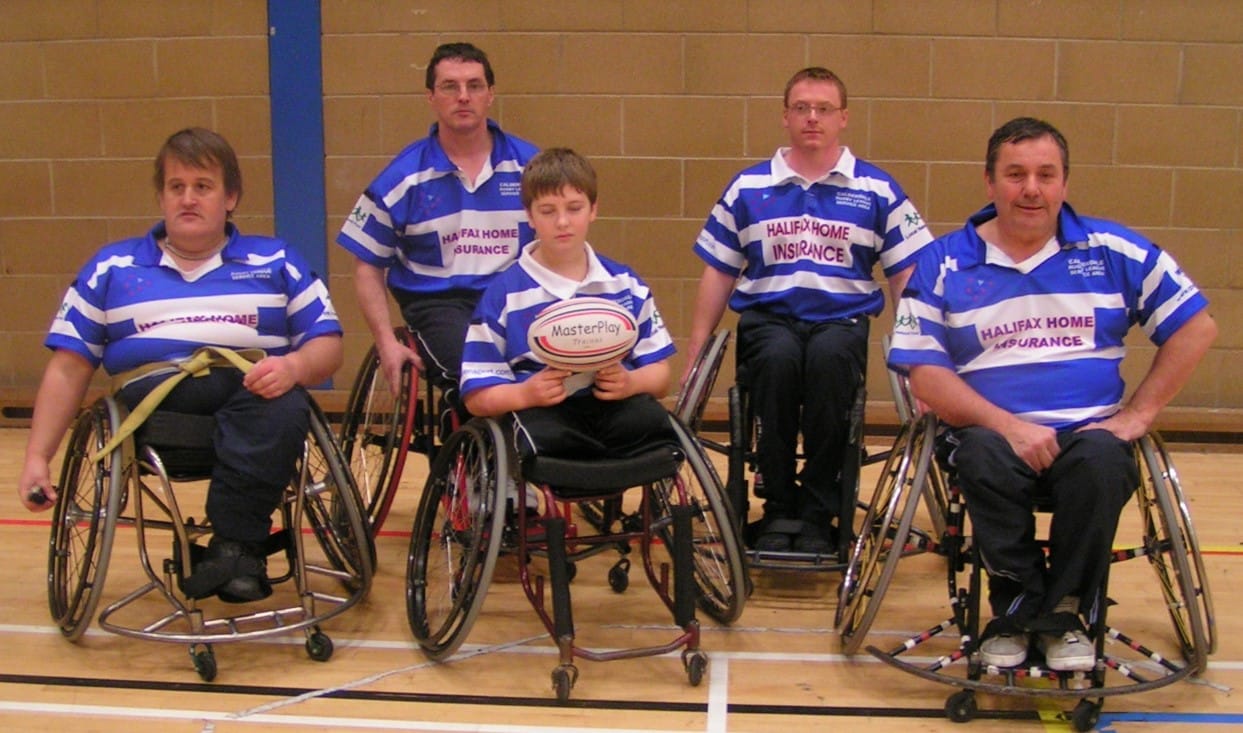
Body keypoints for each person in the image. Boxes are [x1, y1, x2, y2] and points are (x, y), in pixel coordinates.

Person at [887, 117, 1217, 671]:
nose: (1031, 189)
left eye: (1046, 175)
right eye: (1015, 174)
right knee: (983, 456)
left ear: (1065, 182)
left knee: (1103, 463)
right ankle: (1016, 609)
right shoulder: (943, 262)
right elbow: (925, 374)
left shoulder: (1114, 251)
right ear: (989, 182)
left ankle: (1064, 612)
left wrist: (1139, 414)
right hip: (987, 432)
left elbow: (1196, 328)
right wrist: (1010, 427)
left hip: (1088, 433)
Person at [17, 127, 344, 603]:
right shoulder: (112, 267)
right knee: (271, 412)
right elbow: (68, 368)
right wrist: (36, 457)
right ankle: (239, 552)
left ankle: (233, 548)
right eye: (177, 187)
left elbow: (327, 345)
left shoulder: (277, 260)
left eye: (202, 186)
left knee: (285, 404)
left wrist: (294, 366)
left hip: (256, 396)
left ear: (230, 198)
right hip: (158, 409)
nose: (188, 199)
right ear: (162, 196)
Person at [685, 66, 934, 554]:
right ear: (786, 117)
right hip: (769, 319)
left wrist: (920, 357)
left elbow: (907, 278)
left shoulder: (878, 189)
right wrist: (698, 347)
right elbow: (719, 271)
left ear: (844, 117)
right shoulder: (747, 187)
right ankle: (778, 506)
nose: (812, 118)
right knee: (776, 364)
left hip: (841, 322)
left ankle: (820, 511)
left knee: (829, 364)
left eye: (824, 109)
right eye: (802, 108)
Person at [336, 41, 538, 431]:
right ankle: (477, 449)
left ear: (490, 94)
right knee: (479, 374)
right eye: (450, 86)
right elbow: (366, 266)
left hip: (514, 298)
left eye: (474, 85)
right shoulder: (403, 177)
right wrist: (386, 342)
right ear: (431, 97)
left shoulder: (529, 167)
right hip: (439, 305)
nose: (463, 96)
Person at [460, 147, 677, 469]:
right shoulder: (503, 295)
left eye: (574, 208)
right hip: (542, 412)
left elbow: (661, 377)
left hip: (612, 405)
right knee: (547, 443)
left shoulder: (625, 284)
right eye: (548, 211)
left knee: (657, 429)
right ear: (530, 217)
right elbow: (477, 397)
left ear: (593, 210)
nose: (562, 222)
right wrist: (525, 394)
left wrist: (632, 383)